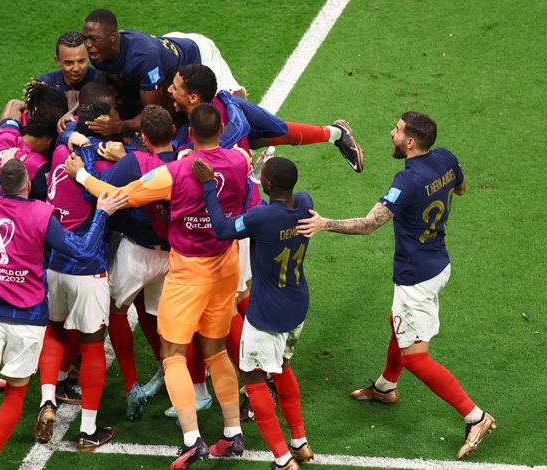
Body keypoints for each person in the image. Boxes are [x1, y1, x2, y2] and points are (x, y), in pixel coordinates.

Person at [296, 111, 495, 460]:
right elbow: (461, 188)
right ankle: (386, 387)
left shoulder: (407, 181)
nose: (392, 134)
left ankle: (475, 417)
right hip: (437, 262)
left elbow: (369, 224)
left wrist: (325, 223)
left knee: (416, 358)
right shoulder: (446, 158)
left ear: (411, 141)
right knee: (398, 323)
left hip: (416, 276)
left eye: (398, 131)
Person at [70, 103, 249, 469]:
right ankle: (233, 434)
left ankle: (192, 440)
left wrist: (81, 176)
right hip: (226, 268)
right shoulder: (239, 161)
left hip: (189, 275)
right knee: (216, 353)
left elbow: (117, 196)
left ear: (190, 136)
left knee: (173, 354)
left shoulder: (175, 172)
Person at [0, 158, 126, 470]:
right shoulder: (40, 214)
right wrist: (102, 214)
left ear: (1, 185)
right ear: (28, 186)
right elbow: (82, 250)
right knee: (14, 395)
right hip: (29, 321)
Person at [191, 155, 314, 469]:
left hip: (267, 315)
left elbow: (221, 228)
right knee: (282, 366)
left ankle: (283, 460)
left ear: (268, 184)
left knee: (254, 379)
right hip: (297, 305)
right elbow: (280, 197)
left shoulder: (261, 218)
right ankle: (299, 442)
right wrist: (263, 173)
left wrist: (208, 184)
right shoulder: (304, 202)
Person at [64, 104, 179, 419]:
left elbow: (100, 194)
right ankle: (176, 377)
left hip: (137, 252)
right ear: (173, 132)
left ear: (143, 136)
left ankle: (132, 387)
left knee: (114, 310)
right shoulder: (186, 156)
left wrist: (82, 170)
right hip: (174, 255)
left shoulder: (135, 163)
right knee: (166, 320)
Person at [168, 64, 364, 172]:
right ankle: (334, 133)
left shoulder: (194, 140)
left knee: (256, 136)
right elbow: (276, 128)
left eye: (175, 88)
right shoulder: (226, 103)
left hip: (238, 203)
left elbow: (242, 128)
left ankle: (335, 133)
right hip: (243, 196)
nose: (169, 90)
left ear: (193, 97)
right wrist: (233, 100)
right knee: (257, 137)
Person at [81, 8, 242, 134]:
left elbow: (153, 116)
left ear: (113, 37)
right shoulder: (98, 53)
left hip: (196, 51)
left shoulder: (144, 59)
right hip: (164, 49)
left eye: (93, 39)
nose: (87, 45)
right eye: (85, 38)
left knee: (226, 105)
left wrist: (118, 126)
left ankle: (240, 94)